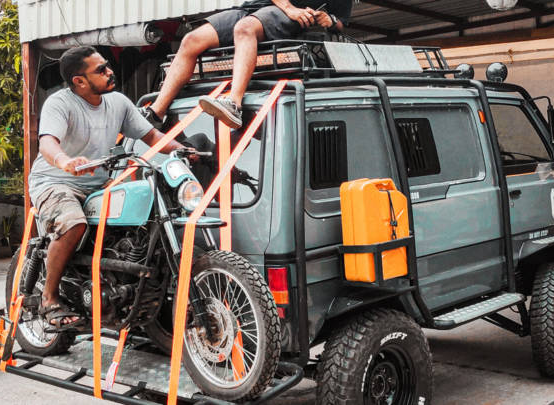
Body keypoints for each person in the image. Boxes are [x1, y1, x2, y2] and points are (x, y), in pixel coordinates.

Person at [28, 46, 184, 329]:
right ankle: (49, 298)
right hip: (56, 181)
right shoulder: (59, 104)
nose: (110, 72)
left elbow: (152, 136)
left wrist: (183, 150)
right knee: (73, 224)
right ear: (79, 81)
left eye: (107, 65)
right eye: (100, 70)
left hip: (99, 182)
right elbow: (48, 142)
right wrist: (65, 161)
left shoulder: (118, 103)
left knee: (143, 215)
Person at [142, 0, 352, 129]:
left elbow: (341, 22)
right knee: (191, 40)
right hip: (257, 8)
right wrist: (289, 8)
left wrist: (331, 20)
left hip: (290, 19)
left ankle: (234, 104)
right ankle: (156, 113)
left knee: (244, 29)